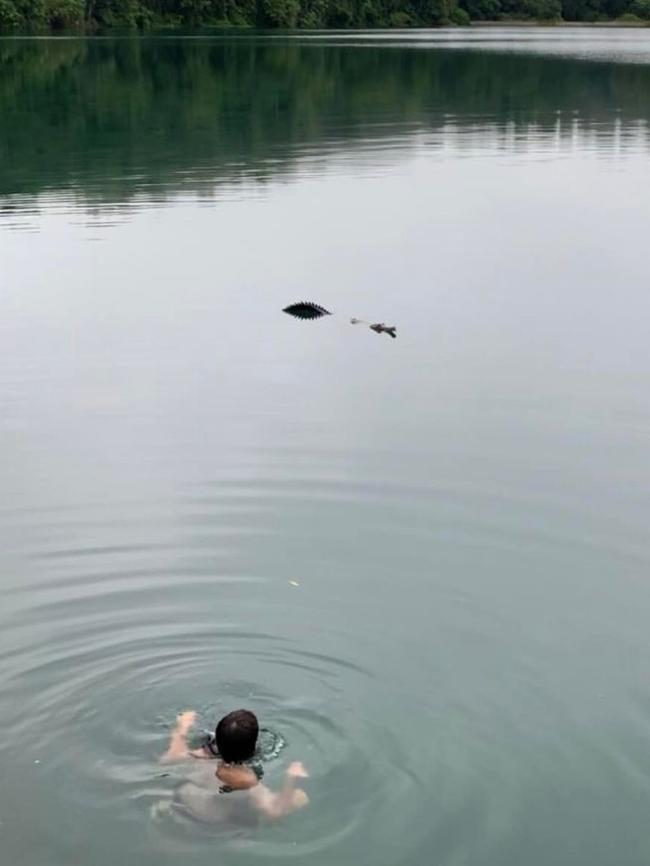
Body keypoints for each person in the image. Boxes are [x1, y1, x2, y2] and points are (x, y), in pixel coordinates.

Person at [160, 708, 309, 822]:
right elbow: (274, 811)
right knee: (301, 797)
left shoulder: (197, 756)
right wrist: (291, 777)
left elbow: (167, 759)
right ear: (253, 745)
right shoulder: (244, 778)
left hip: (185, 807)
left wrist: (182, 727)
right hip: (216, 823)